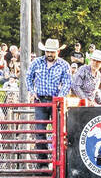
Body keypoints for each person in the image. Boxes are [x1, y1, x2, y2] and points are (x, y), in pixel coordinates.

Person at [25, 38, 72, 168]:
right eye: (47, 52)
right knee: (40, 131)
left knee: (58, 131)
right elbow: (28, 76)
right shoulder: (37, 62)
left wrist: (60, 97)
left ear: (57, 52)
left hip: (55, 102)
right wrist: (32, 91)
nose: (50, 54)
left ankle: (58, 161)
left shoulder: (63, 64)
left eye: (52, 52)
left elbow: (68, 82)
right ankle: (43, 163)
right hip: (40, 100)